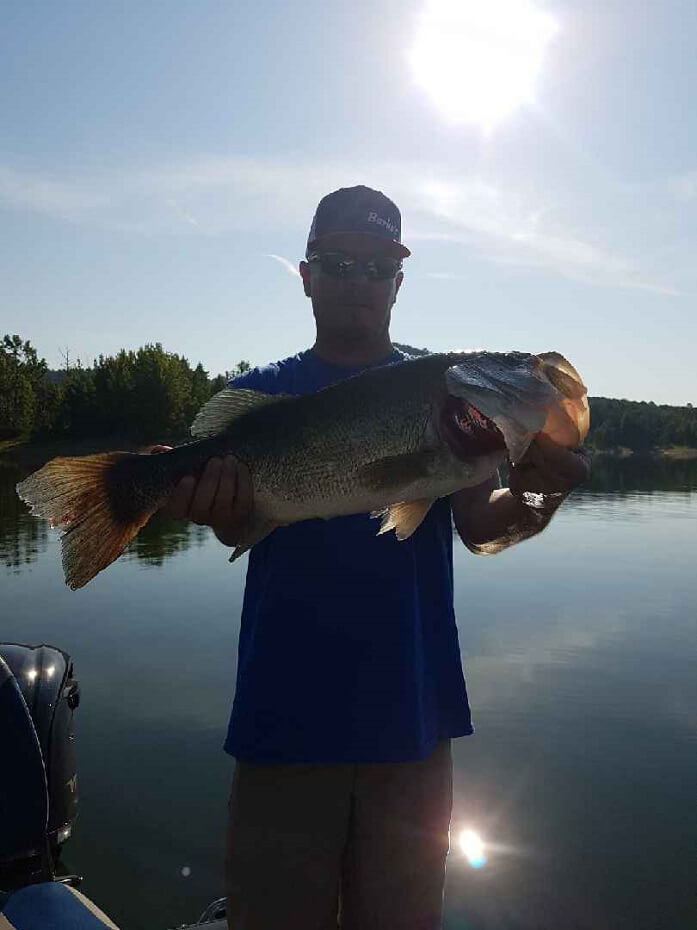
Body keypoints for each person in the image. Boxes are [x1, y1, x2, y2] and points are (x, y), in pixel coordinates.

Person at [160, 186, 589, 930]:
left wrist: (536, 496)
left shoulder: (448, 397)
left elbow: (480, 527)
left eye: (374, 266)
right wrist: (217, 510)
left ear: (398, 280)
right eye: (337, 262)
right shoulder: (263, 394)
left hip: (411, 723)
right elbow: (238, 530)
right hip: (281, 720)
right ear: (306, 274)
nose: (356, 280)